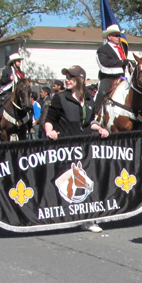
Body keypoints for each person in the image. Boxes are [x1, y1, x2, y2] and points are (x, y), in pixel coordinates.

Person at [44, 65, 109, 233]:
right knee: (63, 183)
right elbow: (50, 118)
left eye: (71, 77)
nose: (67, 79)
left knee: (88, 181)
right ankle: (61, 216)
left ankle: (89, 220)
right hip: (65, 147)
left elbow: (90, 122)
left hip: (86, 148)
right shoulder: (60, 98)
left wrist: (100, 128)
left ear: (80, 79)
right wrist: (49, 131)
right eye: (66, 76)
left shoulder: (89, 99)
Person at [93, 24, 130, 118]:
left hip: (122, 75)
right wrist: (121, 62)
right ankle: (95, 113)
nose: (118, 37)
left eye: (119, 35)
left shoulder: (121, 49)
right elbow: (104, 62)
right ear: (109, 37)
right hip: (108, 76)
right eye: (116, 35)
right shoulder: (103, 49)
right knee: (102, 92)